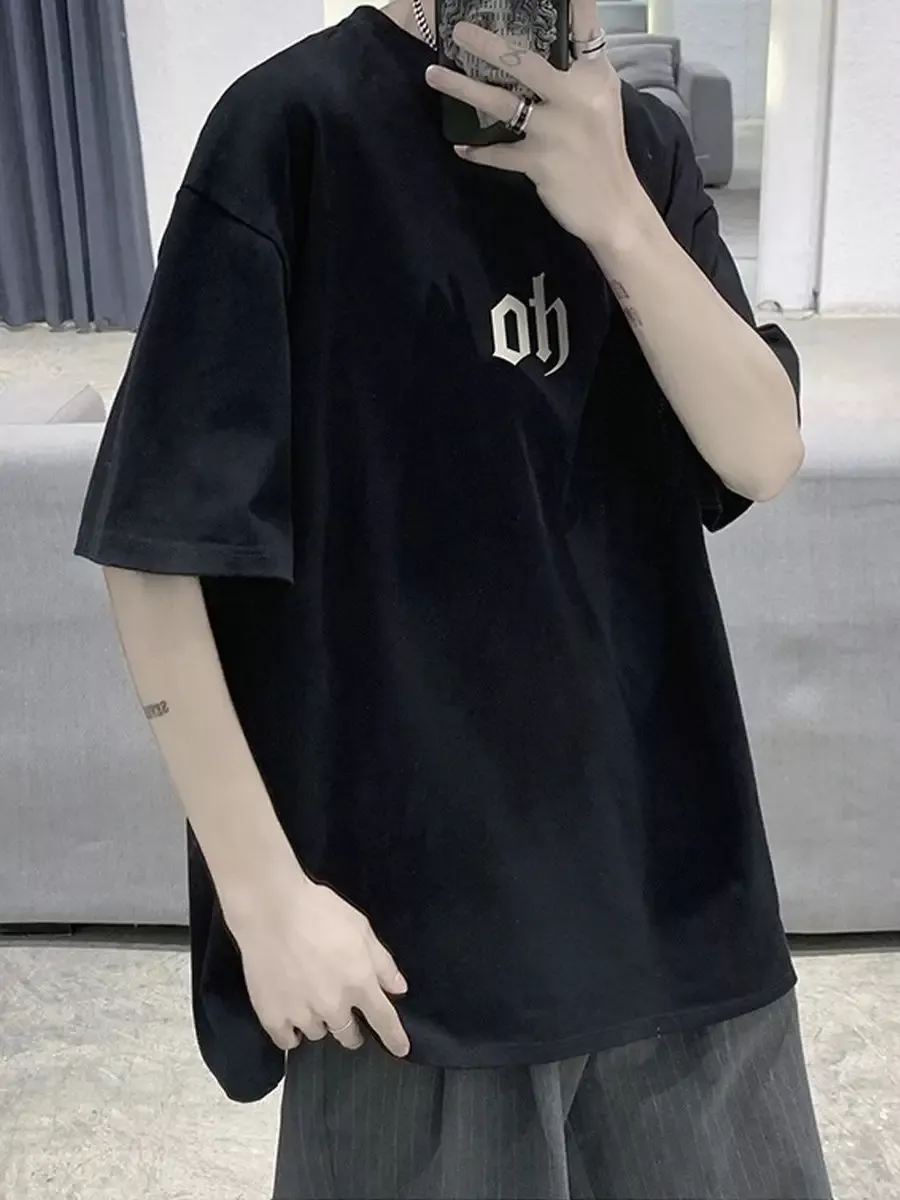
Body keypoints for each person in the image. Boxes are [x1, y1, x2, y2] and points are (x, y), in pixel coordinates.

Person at [74, 1, 833, 1197]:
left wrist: (618, 214)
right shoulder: (292, 131)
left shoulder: (639, 146)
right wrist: (264, 901)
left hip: (682, 906)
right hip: (411, 957)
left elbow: (760, 453)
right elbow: (158, 544)